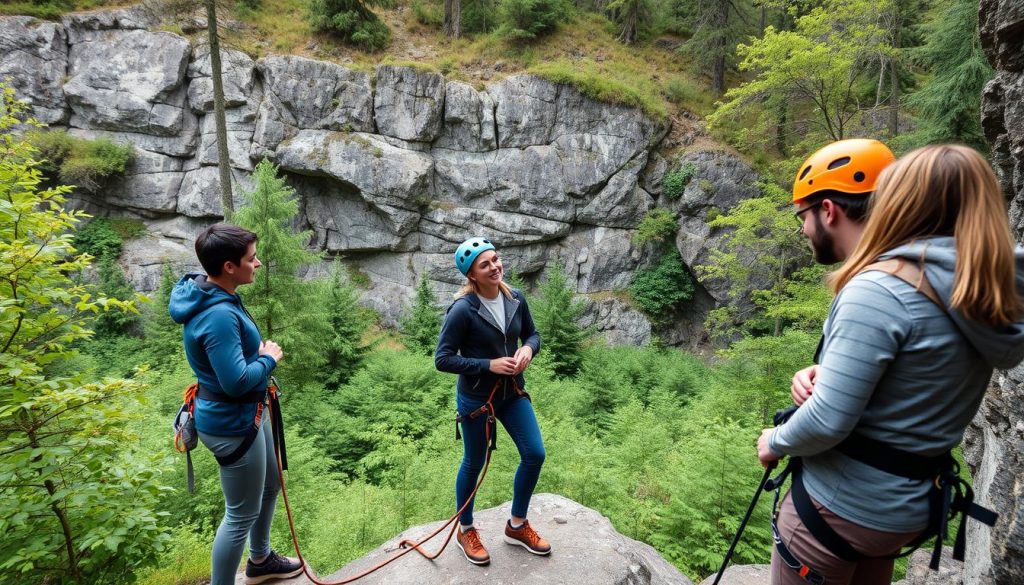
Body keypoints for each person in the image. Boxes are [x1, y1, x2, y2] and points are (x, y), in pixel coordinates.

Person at [757, 144, 1024, 585]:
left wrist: (776, 440)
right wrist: (838, 375)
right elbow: (924, 370)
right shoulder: (975, 286)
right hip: (905, 508)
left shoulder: (880, 290)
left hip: (836, 509)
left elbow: (827, 421)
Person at [169, 223, 302, 585]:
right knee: (240, 513)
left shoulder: (214, 295)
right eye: (251, 258)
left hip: (246, 414)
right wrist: (268, 359)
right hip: (232, 423)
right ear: (229, 267)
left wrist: (255, 363)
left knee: (270, 484)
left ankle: (260, 561)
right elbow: (236, 381)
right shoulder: (218, 315)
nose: (257, 263)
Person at [435, 237, 549, 566]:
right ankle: (465, 529)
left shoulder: (515, 297)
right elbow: (442, 359)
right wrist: (489, 365)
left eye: (496, 260)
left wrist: (528, 349)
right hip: (476, 398)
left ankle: (516, 525)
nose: (495, 267)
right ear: (472, 275)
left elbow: (533, 334)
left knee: (534, 453)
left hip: (511, 392)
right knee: (473, 461)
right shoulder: (462, 310)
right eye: (485, 264)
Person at [788, 138, 896, 406]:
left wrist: (776, 439)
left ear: (828, 211)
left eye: (803, 218)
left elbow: (830, 417)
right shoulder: (905, 275)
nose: (803, 230)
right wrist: (832, 371)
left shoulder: (872, 292)